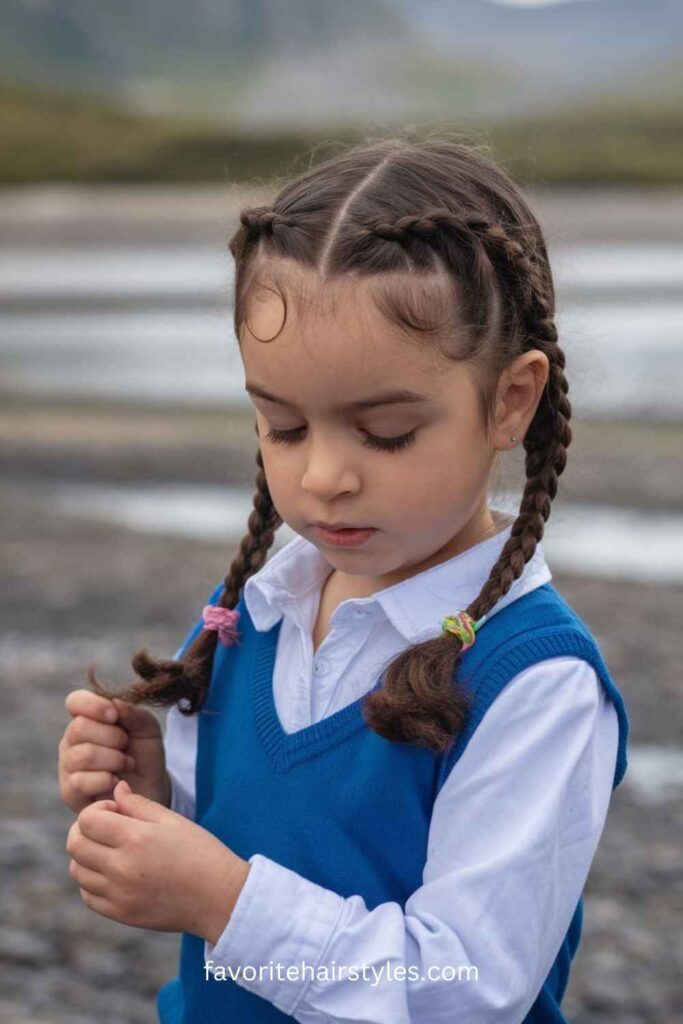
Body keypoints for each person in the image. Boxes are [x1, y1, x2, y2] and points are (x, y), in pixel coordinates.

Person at [58, 134, 629, 1023]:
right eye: (284, 428)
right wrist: (155, 787)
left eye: (386, 432)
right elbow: (261, 831)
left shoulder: (536, 681)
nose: (325, 476)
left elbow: (465, 988)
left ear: (510, 400)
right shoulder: (251, 613)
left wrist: (224, 902)